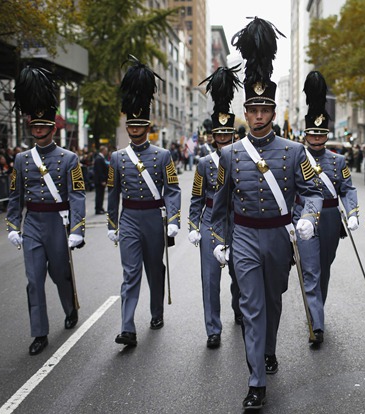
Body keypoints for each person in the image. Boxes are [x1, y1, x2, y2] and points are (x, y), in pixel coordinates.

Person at [211, 17, 323, 411]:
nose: (258, 116)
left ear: (273, 112)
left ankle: (268, 350)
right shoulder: (229, 154)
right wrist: (220, 240)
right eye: (253, 109)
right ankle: (256, 381)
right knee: (252, 306)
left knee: (273, 301)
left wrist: (309, 217)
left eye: (264, 109)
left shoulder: (295, 152)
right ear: (245, 110)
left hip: (279, 236)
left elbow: (312, 191)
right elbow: (219, 206)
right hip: (243, 236)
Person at [6, 66, 85, 355]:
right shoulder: (21, 160)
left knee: (61, 275)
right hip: (33, 224)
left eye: (44, 127)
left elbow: (77, 196)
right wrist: (13, 226)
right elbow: (14, 197)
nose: (39, 132)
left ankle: (69, 307)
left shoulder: (69, 158)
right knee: (33, 280)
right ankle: (39, 332)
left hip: (58, 223)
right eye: (35, 128)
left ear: (53, 128)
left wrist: (77, 229)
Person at [107, 56, 181, 347]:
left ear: (147, 126)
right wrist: (112, 223)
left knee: (154, 267)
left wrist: (173, 220)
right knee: (130, 272)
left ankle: (157, 310)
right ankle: (127, 327)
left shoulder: (163, 156)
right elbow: (113, 194)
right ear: (127, 126)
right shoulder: (117, 158)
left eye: (140, 125)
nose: (135, 129)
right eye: (131, 125)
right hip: (129, 219)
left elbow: (173, 189)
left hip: (154, 218)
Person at [293, 71, 359, 346]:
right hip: (304, 218)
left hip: (331, 218)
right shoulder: (296, 156)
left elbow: (348, 189)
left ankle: (316, 308)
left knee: (324, 268)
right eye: (313, 133)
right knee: (310, 269)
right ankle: (316, 324)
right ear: (306, 133)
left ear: (326, 134)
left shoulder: (339, 160)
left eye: (321, 133)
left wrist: (353, 212)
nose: (317, 138)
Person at [188, 65, 243, 349]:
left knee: (238, 274)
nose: (222, 140)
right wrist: (193, 225)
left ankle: (238, 310)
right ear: (212, 137)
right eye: (218, 136)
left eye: (227, 135)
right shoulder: (203, 163)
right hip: (211, 221)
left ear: (233, 135)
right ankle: (213, 328)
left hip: (238, 222)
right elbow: (197, 197)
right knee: (210, 279)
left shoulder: (242, 158)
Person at [93, 145, 109, 214]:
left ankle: (100, 207)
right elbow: (100, 171)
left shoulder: (100, 158)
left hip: (100, 180)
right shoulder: (99, 159)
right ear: (103, 151)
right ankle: (98, 209)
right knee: (99, 195)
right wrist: (102, 180)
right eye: (106, 151)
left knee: (101, 195)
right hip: (99, 181)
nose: (107, 152)